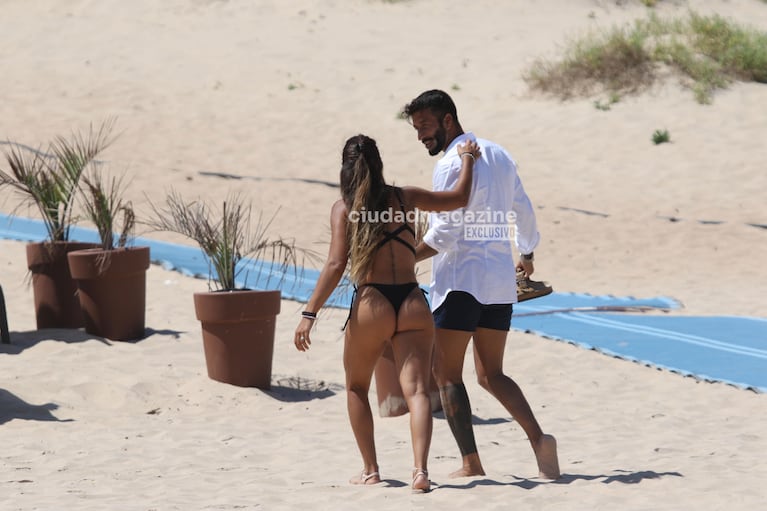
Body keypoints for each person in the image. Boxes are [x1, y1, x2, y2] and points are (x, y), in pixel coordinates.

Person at [294, 133, 481, 493]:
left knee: (356, 386)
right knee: (418, 393)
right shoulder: (404, 197)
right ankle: (421, 472)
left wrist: (309, 313)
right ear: (379, 164)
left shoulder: (345, 208)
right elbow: (459, 199)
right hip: (412, 300)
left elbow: (335, 264)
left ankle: (370, 470)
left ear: (346, 169)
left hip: (372, 303)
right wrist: (468, 158)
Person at [400, 89, 560, 480]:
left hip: (460, 282)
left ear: (448, 121)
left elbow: (446, 232)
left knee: (446, 375)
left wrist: (405, 259)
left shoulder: (451, 164)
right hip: (499, 282)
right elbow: (522, 205)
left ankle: (471, 463)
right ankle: (539, 439)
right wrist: (527, 251)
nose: (421, 135)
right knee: (492, 374)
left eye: (425, 126)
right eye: (416, 128)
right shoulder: (501, 154)